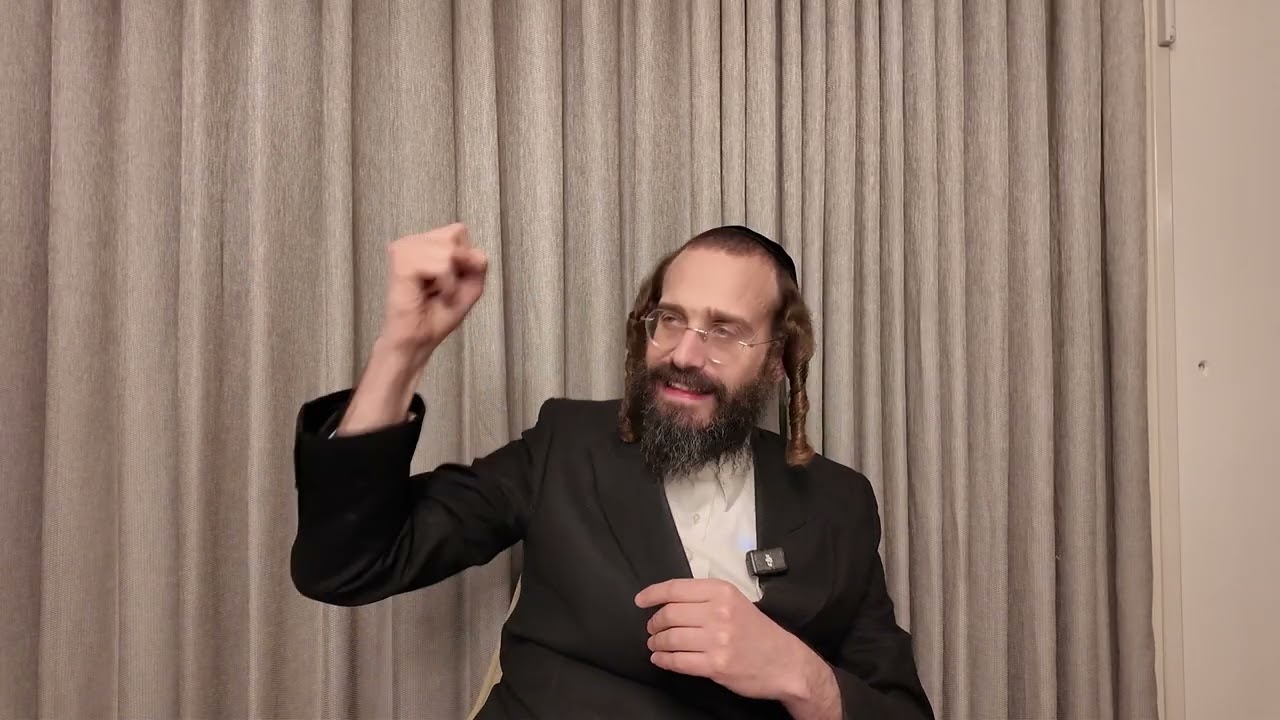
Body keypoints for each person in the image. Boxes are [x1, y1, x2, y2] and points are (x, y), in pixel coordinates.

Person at [290, 223, 934, 719]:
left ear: (776, 360)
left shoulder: (838, 501)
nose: (684, 354)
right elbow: (352, 564)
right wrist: (403, 349)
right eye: (670, 320)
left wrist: (802, 676)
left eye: (724, 331)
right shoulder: (568, 446)